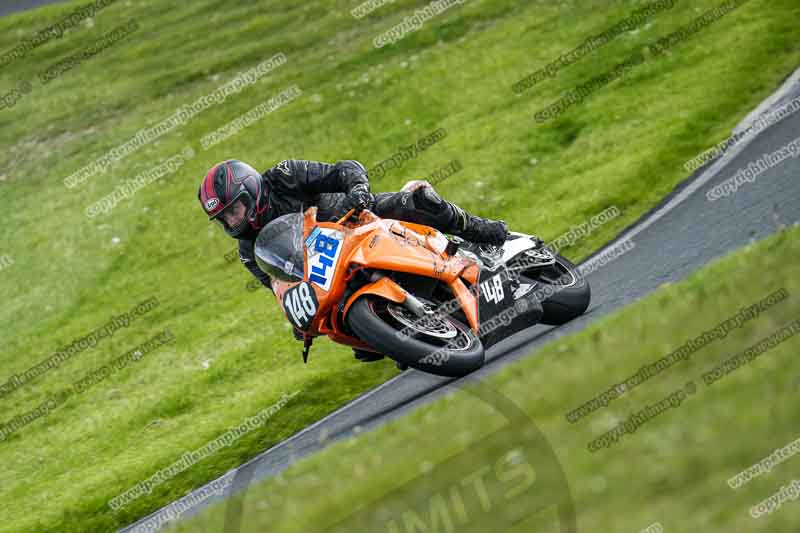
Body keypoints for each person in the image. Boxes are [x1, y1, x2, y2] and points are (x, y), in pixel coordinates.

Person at [198, 159, 508, 361]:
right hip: (329, 275)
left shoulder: (283, 176)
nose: (231, 222)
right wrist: (298, 320)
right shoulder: (248, 250)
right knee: (362, 346)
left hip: (356, 220)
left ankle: (480, 231)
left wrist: (358, 190)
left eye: (233, 210)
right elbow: (278, 285)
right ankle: (397, 328)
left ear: (251, 191)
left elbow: (343, 170)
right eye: (223, 218)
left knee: (418, 201)